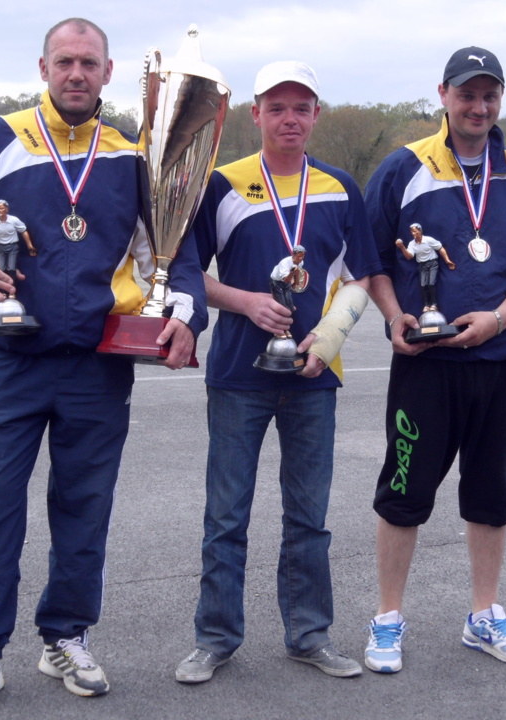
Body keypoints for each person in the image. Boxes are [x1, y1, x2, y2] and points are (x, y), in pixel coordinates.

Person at [0, 18, 207, 717]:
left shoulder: (133, 155)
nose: (76, 73)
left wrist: (186, 314)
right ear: (43, 67)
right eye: (64, 62)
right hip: (12, 358)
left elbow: (180, 248)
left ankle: (66, 636)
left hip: (98, 366)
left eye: (89, 63)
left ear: (110, 73)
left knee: (84, 510)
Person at [362, 46, 506, 674]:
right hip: (426, 365)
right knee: (403, 493)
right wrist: (395, 316)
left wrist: (499, 319)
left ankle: (484, 615)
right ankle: (388, 619)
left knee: (491, 495)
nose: (478, 107)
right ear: (443, 95)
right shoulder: (403, 168)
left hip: (502, 359)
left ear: (499, 100)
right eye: (467, 94)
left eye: (489, 95)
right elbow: (369, 258)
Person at [175, 61, 381, 684]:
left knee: (308, 516)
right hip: (239, 374)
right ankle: (215, 638)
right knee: (226, 515)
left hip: (314, 374)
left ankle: (309, 634)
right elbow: (185, 271)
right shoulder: (221, 184)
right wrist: (244, 301)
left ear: (316, 114)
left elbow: (361, 277)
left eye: (302, 107)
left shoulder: (340, 187)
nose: (289, 118)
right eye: (277, 107)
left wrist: (333, 332)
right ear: (255, 114)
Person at [395, 223, 454, 312]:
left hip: (432, 263)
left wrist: (447, 260)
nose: (413, 233)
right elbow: (409, 256)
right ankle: (427, 304)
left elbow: (440, 248)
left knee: (431, 283)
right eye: (411, 232)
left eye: (415, 231)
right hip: (422, 265)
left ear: (420, 231)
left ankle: (434, 304)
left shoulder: (428, 240)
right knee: (423, 285)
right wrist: (402, 247)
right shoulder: (412, 244)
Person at [0, 200, 36, 291]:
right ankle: (3, 290)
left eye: (1, 208)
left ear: (6, 209)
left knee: (11, 268)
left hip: (13, 247)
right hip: (0, 248)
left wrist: (29, 245)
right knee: (1, 268)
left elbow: (23, 231)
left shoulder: (13, 220)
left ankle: (12, 289)